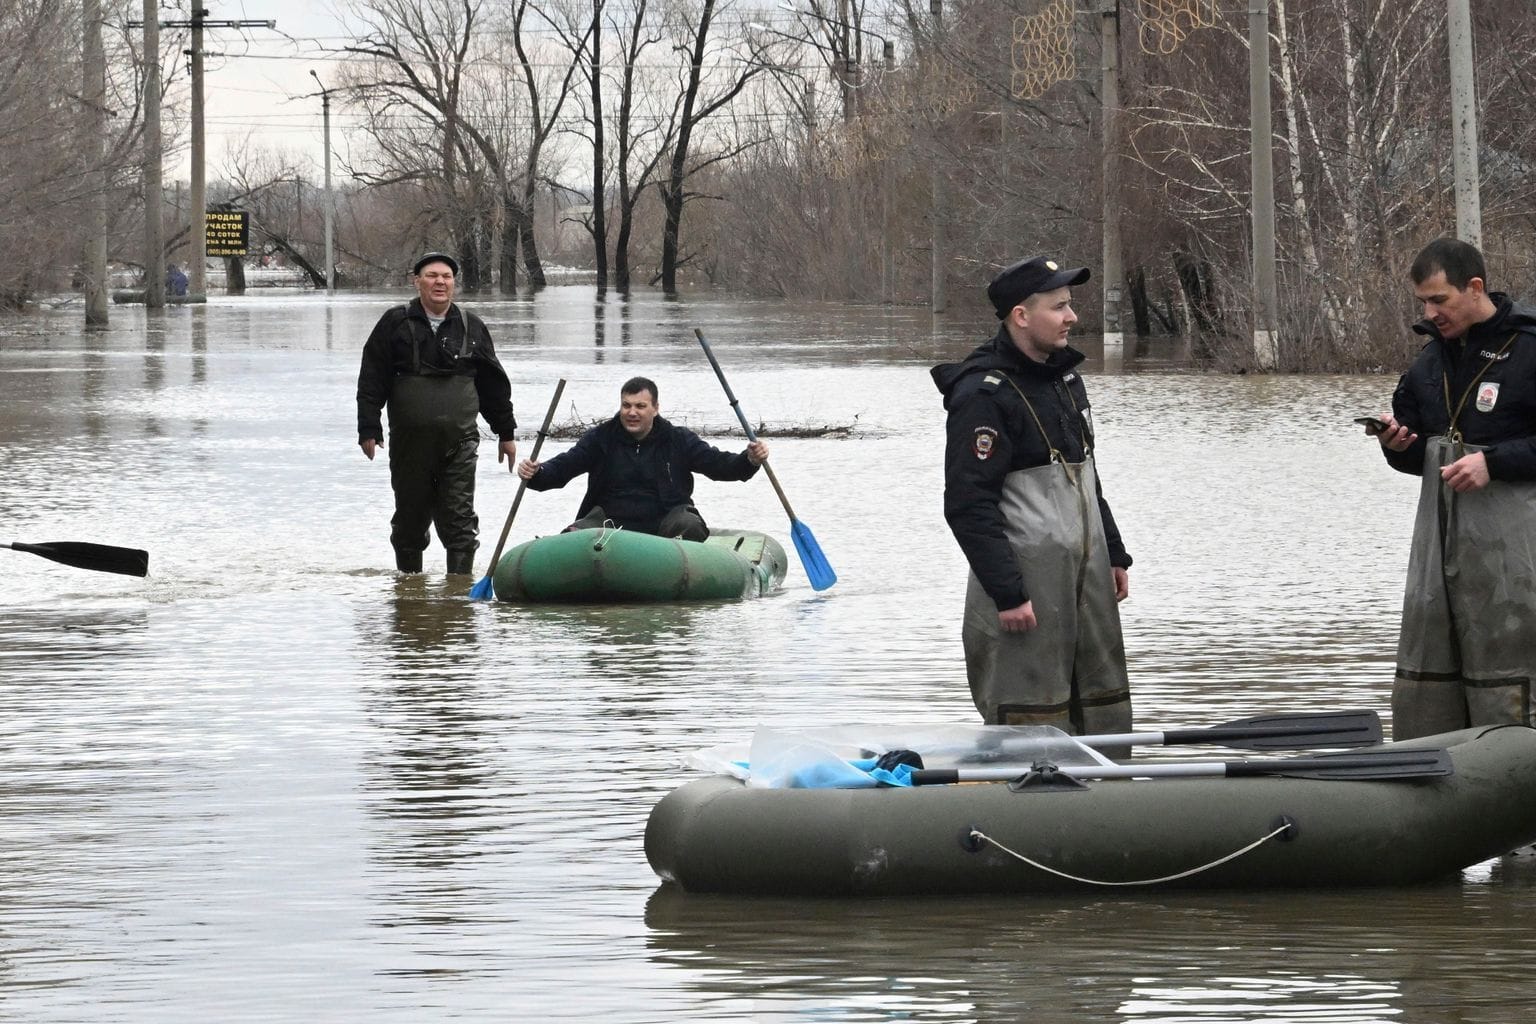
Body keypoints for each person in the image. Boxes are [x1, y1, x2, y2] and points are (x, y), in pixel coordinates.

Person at [931, 256, 1133, 744]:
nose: (1072, 317)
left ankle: (1112, 807)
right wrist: (1008, 593)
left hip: (1086, 579)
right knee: (1031, 719)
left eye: (1070, 306)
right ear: (1021, 316)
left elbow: (1086, 474)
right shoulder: (983, 393)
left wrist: (1114, 551)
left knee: (1103, 707)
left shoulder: (1064, 378)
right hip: (1025, 590)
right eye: (1059, 307)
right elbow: (967, 503)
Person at [1367, 237, 1536, 739]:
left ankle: (1517, 762)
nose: (1429, 311)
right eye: (1423, 301)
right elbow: (1419, 457)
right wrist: (1397, 445)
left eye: (1439, 299)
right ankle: (1438, 776)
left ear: (1475, 287)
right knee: (1431, 670)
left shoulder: (1529, 349)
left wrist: (1495, 462)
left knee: (1512, 664)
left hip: (1518, 558)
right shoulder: (1427, 363)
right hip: (1440, 554)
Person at [356, 252, 518, 575]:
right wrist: (368, 428)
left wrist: (506, 433)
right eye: (431, 276)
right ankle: (408, 594)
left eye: (446, 277)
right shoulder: (395, 323)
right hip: (409, 445)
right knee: (409, 523)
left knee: (459, 521)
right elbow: (372, 378)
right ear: (417, 281)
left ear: (454, 284)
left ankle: (457, 599)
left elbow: (493, 385)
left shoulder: (472, 326)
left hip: (459, 444)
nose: (440, 282)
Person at [517, 376, 768, 541]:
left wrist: (750, 460)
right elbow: (563, 467)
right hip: (609, 523)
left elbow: (719, 465)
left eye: (640, 406)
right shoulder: (601, 438)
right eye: (626, 406)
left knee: (689, 524)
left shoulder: (676, 439)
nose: (632, 413)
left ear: (655, 408)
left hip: (665, 523)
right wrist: (536, 473)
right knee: (574, 536)